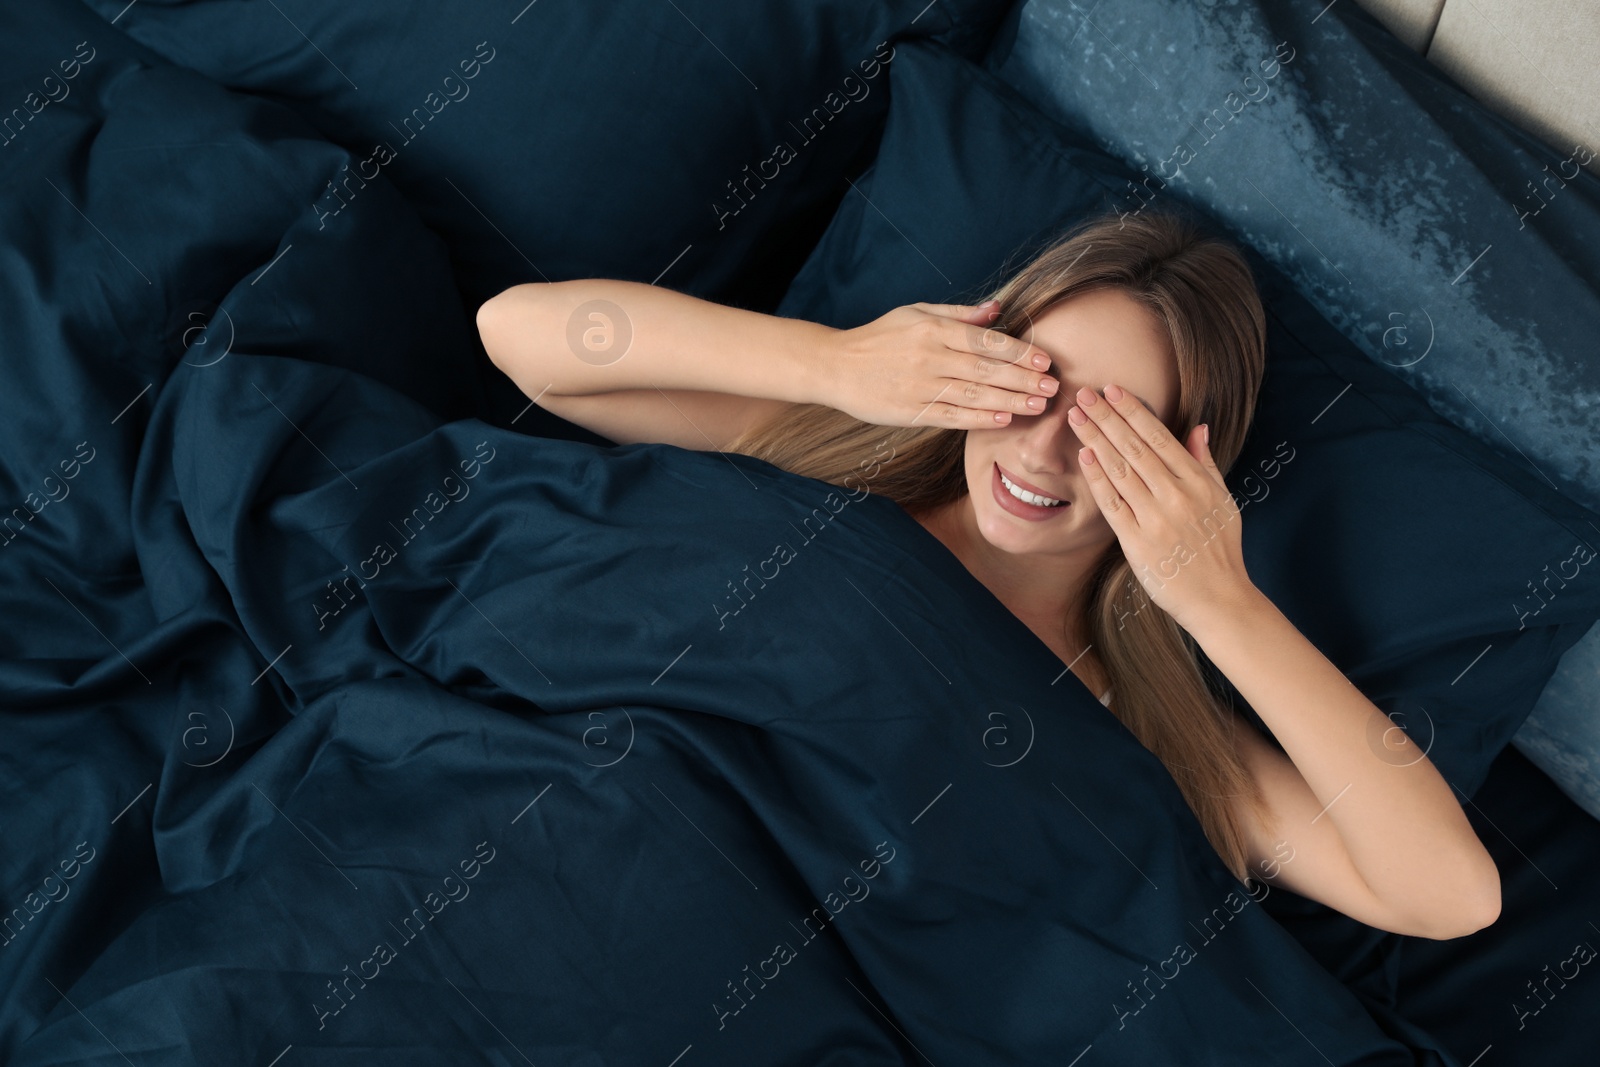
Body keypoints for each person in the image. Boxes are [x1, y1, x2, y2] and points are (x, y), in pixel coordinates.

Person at [475, 210, 1500, 939]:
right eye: (1030, 383)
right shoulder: (828, 459)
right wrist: (834, 365)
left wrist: (1216, 596)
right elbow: (520, 336)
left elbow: (1447, 896)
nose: (1041, 452)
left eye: (1112, 428)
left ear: (1186, 468)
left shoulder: (1135, 710)